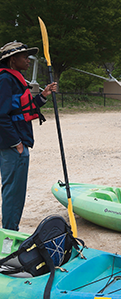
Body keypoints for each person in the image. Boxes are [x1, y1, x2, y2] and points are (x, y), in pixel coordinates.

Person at [0, 41, 57, 230]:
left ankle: (10, 230)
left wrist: (43, 96)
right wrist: (16, 143)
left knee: (17, 190)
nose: (28, 60)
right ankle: (9, 235)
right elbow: (1, 115)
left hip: (17, 143)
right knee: (13, 191)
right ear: (12, 60)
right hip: (13, 145)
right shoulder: (5, 80)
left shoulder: (15, 79)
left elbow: (21, 109)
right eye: (25, 57)